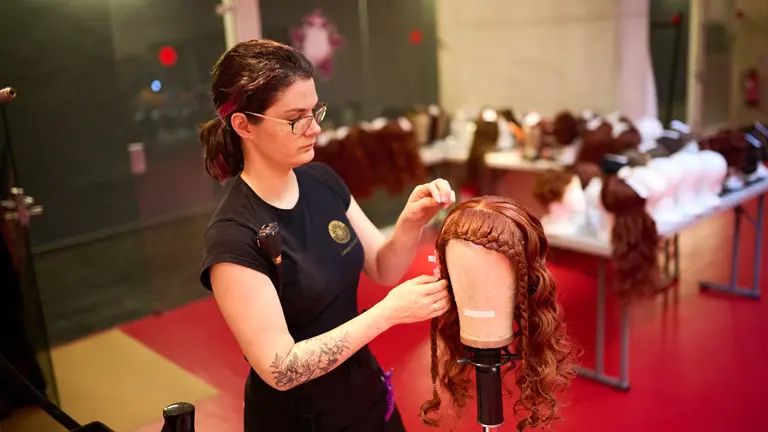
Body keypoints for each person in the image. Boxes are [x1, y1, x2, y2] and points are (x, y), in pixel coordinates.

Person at [198, 39, 456, 432]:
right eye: (295, 118)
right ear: (244, 125)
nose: (315, 128)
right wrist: (386, 314)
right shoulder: (234, 235)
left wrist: (411, 221)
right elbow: (281, 368)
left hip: (366, 397)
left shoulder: (321, 180)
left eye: (315, 111)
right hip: (300, 421)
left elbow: (383, 266)